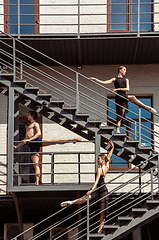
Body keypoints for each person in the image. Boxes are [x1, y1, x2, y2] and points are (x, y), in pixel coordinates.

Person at [60, 140, 114, 234]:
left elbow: (97, 181)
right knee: (101, 210)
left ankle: (72, 202)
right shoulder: (106, 167)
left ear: (102, 160)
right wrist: (112, 148)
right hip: (103, 189)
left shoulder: (99, 169)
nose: (97, 160)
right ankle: (100, 229)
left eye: (99, 159)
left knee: (90, 200)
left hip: (99, 188)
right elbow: (108, 157)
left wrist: (91, 189)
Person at [14, 111, 82, 185]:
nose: (27, 116)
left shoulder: (35, 124)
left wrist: (29, 139)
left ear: (32, 116)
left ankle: (72, 140)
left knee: (54, 141)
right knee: (35, 164)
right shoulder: (29, 125)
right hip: (31, 144)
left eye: (28, 115)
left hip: (36, 141)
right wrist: (16, 146)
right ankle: (36, 182)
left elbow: (38, 134)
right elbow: (24, 140)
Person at [89, 66, 156, 133]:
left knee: (131, 99)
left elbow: (127, 89)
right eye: (124, 69)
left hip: (123, 96)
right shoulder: (114, 79)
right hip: (118, 97)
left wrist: (118, 89)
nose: (125, 71)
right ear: (120, 70)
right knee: (120, 114)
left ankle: (146, 107)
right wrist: (95, 79)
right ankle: (118, 129)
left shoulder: (126, 80)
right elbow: (103, 82)